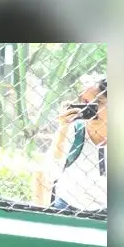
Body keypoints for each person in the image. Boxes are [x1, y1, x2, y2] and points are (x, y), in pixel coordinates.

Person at [34, 78, 108, 212]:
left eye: (98, 102)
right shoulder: (74, 130)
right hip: (68, 206)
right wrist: (62, 128)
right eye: (85, 102)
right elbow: (49, 173)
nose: (90, 108)